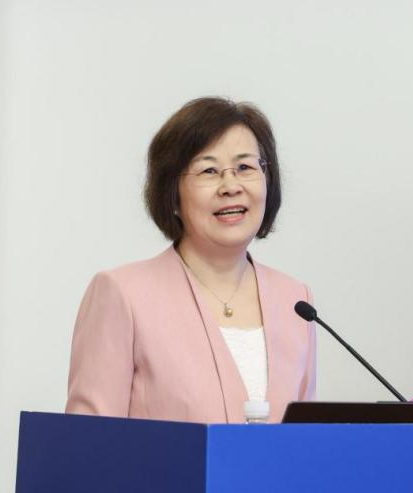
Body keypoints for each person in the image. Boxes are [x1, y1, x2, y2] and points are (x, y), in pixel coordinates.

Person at [66, 97, 316, 423]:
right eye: (209, 170)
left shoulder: (295, 301)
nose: (231, 186)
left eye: (245, 167)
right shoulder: (122, 294)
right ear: (172, 194)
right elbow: (87, 442)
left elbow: (304, 440)